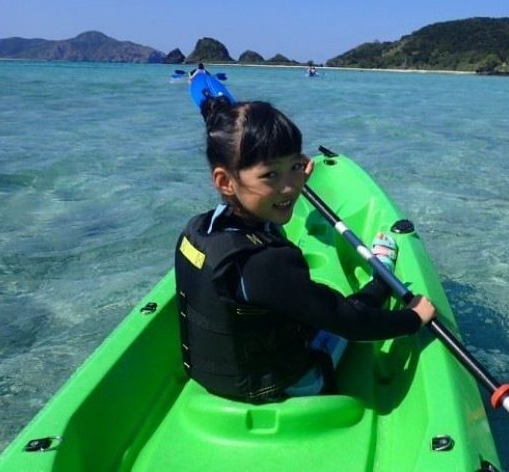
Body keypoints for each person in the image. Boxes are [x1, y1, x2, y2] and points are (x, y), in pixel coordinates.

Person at [175, 99, 435, 403]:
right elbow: (349, 321)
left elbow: (263, 219)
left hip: (218, 380)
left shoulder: (199, 229)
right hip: (284, 388)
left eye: (295, 167)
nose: (289, 187)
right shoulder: (267, 264)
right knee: (341, 311)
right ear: (225, 181)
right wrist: (412, 319)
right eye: (271, 175)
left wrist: (289, 176)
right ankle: (382, 274)